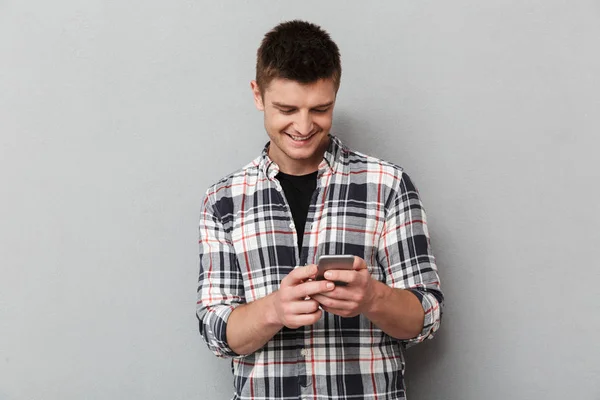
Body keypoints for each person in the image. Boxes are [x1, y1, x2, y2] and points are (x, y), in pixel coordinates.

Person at [196, 20, 443, 400]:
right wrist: (274, 310)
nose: (304, 125)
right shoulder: (223, 200)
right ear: (257, 95)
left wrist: (372, 298)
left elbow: (426, 316)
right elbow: (216, 330)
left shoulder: (388, 185)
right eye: (287, 108)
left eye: (320, 109)